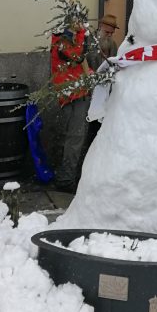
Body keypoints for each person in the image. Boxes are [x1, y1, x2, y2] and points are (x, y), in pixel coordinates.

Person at [50, 14, 92, 193]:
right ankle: (65, 180)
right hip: (71, 94)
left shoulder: (69, 39)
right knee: (74, 138)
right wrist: (82, 33)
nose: (82, 26)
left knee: (74, 137)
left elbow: (79, 62)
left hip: (78, 91)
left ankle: (66, 176)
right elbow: (76, 55)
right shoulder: (61, 40)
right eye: (80, 24)